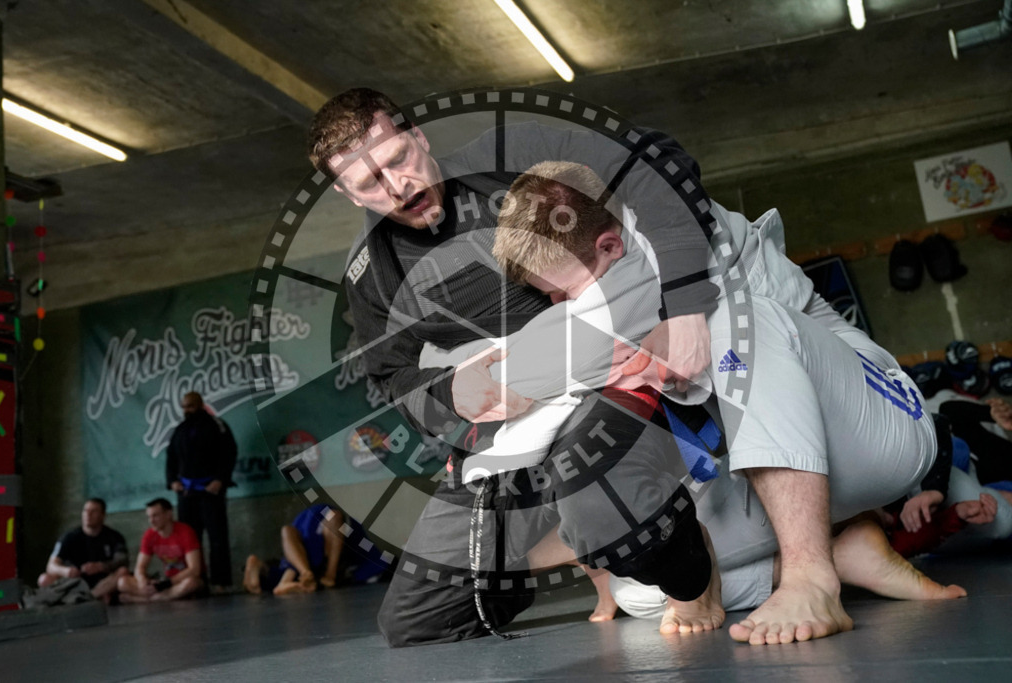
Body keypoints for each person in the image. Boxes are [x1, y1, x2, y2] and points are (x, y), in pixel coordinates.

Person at [309, 88, 719, 647]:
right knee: (415, 621)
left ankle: (681, 549)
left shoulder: (511, 153)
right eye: (368, 183)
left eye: (397, 160)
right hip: (505, 431)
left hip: (605, 381)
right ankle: (569, 545)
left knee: (604, 507)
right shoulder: (370, 276)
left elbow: (656, 159)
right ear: (345, 193)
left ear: (418, 136)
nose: (396, 186)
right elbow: (390, 378)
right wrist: (453, 392)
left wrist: (685, 305)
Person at [489, 160, 939, 642]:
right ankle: (843, 555)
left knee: (731, 320)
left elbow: (651, 154)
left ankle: (811, 577)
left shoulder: (683, 236)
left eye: (562, 292)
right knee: (646, 582)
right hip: (784, 480)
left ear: (610, 246)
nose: (563, 307)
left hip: (879, 429)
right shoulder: (611, 291)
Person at [166, 391, 237, 591]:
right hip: (187, 493)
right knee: (190, 540)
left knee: (217, 537)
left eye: (190, 406)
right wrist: (172, 481)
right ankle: (198, 583)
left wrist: (220, 479)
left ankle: (221, 583)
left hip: (210, 490)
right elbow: (171, 458)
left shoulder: (217, 425)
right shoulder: (179, 430)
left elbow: (229, 453)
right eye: (184, 407)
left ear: (200, 405)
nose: (186, 410)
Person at [243, 503, 388, 595]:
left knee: (258, 586)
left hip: (309, 528)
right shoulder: (329, 531)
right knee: (299, 563)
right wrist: (329, 575)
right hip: (316, 529)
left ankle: (267, 569)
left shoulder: (349, 538)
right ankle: (314, 574)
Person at [38, 498, 128, 603]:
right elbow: (51, 566)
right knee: (44, 579)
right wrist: (66, 571)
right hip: (73, 582)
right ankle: (80, 598)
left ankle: (90, 597)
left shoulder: (114, 537)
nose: (88, 515)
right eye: (85, 511)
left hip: (101, 582)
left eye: (93, 511)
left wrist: (101, 566)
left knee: (123, 572)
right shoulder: (69, 537)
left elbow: (122, 561)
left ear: (103, 515)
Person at [118, 498, 205, 602]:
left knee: (192, 583)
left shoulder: (185, 532)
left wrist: (167, 583)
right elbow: (140, 567)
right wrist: (143, 582)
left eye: (156, 516)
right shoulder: (149, 535)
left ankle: (147, 599)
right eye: (149, 517)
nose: (151, 521)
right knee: (122, 582)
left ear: (168, 514)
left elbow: (194, 570)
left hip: (180, 580)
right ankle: (162, 597)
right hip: (164, 583)